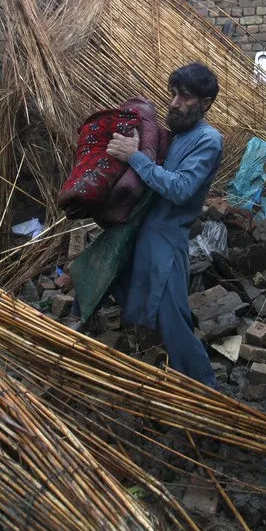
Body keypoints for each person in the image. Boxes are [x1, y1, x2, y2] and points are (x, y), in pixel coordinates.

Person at [105, 63, 222, 388]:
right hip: (144, 234)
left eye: (184, 97)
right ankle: (157, 371)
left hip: (167, 242)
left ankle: (208, 396)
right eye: (173, 94)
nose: (174, 103)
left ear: (205, 103)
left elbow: (182, 189)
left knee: (174, 323)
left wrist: (135, 158)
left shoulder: (208, 140)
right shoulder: (177, 136)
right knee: (115, 284)